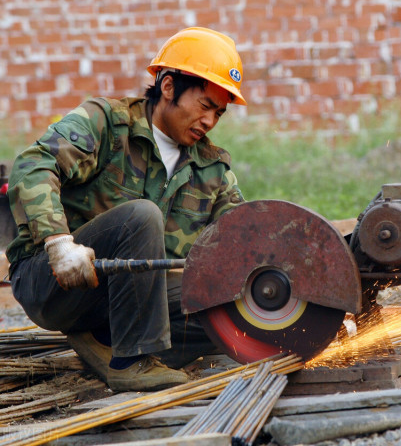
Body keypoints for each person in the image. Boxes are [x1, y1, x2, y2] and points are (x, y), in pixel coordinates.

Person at [6, 27, 247, 392]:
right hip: (58, 283)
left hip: (131, 305)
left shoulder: (212, 171)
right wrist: (58, 243)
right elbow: (33, 165)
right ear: (168, 87)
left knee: (230, 306)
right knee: (142, 216)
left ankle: (109, 347)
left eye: (219, 113)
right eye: (205, 106)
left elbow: (248, 236)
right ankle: (132, 362)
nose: (210, 121)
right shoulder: (106, 122)